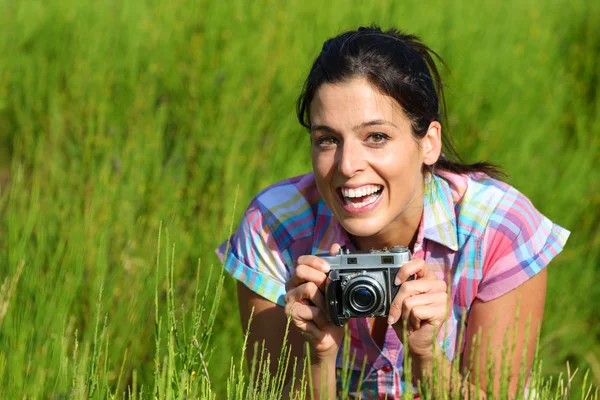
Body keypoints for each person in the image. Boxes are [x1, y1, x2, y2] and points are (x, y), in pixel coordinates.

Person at [216, 26, 570, 399]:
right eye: (328, 139)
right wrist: (320, 355)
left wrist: (427, 357)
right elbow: (272, 392)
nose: (348, 164)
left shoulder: (500, 229)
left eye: (376, 137)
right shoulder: (275, 228)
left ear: (429, 143)